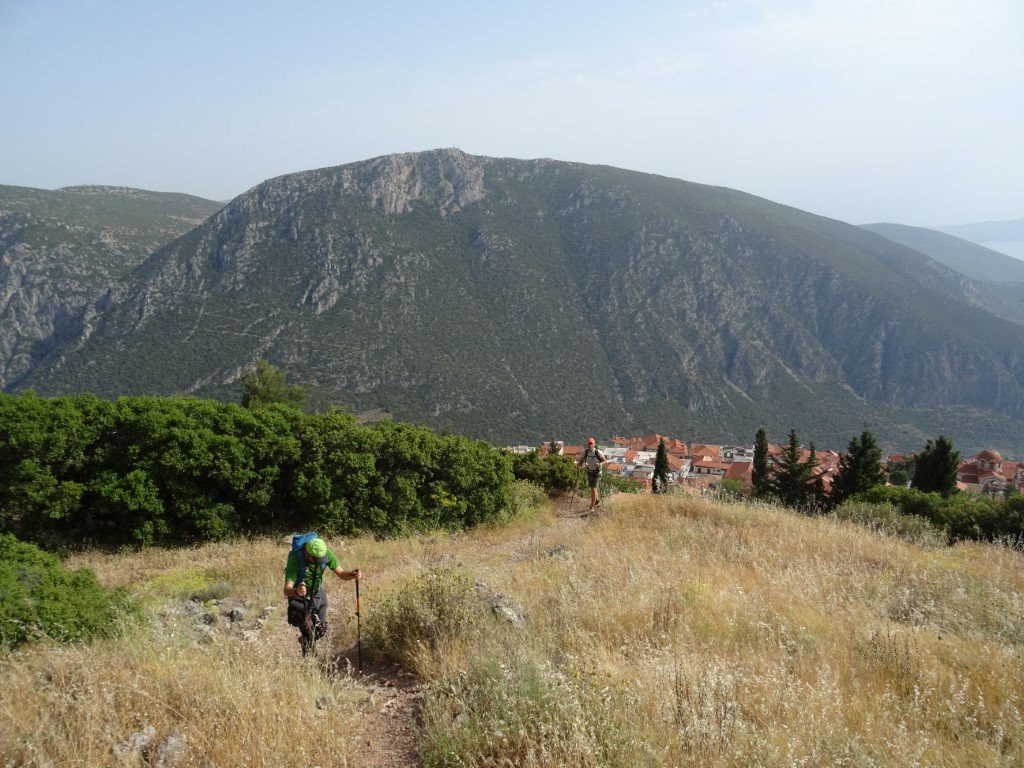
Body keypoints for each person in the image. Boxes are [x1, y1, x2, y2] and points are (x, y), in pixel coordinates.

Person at [283, 537, 360, 655]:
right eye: (317, 559)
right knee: (308, 632)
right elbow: (287, 590)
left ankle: (305, 640)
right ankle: (310, 664)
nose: (321, 561)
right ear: (308, 555)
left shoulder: (326, 553)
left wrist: (351, 575)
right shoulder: (295, 560)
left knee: (321, 629)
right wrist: (297, 591)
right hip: (299, 598)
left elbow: (341, 573)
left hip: (318, 594)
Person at [576, 437, 607, 511]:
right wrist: (578, 465)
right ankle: (597, 502)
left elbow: (605, 461)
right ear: (587, 444)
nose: (590, 445)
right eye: (589, 443)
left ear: (594, 444)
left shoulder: (598, 452)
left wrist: (600, 464)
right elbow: (581, 461)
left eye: (591, 444)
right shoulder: (585, 452)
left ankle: (592, 506)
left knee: (593, 489)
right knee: (593, 488)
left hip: (597, 472)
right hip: (589, 471)